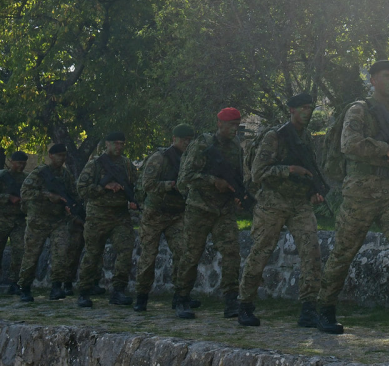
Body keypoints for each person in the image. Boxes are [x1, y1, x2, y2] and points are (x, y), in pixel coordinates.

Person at [316, 60, 389, 337]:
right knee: (343, 251)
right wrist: (383, 147)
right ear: (373, 80)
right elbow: (348, 143)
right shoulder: (359, 109)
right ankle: (324, 309)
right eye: (386, 76)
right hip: (360, 192)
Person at [237, 93, 328, 327]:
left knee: (312, 252)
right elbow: (258, 173)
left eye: (310, 108)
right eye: (303, 108)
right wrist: (289, 169)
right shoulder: (275, 136)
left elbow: (309, 171)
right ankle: (245, 305)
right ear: (292, 110)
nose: (308, 112)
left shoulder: (305, 138)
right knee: (260, 252)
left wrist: (313, 191)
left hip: (299, 204)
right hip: (272, 202)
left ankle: (308, 308)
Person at [173, 107, 246, 319]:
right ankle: (182, 298)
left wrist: (237, 195)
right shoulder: (202, 144)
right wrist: (213, 181)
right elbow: (185, 177)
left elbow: (237, 177)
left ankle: (231, 300)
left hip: (223, 210)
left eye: (237, 125)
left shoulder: (235, 147)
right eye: (231, 125)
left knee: (232, 253)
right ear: (219, 124)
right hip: (199, 209)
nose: (234, 129)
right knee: (191, 254)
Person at [134, 123, 196, 312]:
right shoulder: (160, 158)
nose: (187, 143)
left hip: (177, 214)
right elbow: (148, 184)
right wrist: (169, 185)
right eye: (184, 140)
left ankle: (181, 296)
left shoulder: (189, 159)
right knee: (148, 257)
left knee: (184, 253)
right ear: (174, 140)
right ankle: (141, 296)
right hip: (154, 213)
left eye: (189, 140)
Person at [76, 132, 140, 307]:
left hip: (120, 215)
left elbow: (136, 185)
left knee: (126, 251)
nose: (118, 147)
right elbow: (81, 189)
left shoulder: (127, 164)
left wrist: (134, 200)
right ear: (107, 144)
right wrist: (103, 187)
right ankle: (84, 291)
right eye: (115, 143)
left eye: (121, 144)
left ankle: (118, 290)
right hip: (98, 215)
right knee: (93, 254)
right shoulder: (95, 164)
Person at [17, 144, 82, 302]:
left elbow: (74, 194)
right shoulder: (40, 173)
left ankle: (56, 287)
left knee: (61, 253)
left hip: (58, 220)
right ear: (51, 156)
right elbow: (25, 192)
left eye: (64, 155)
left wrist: (72, 207)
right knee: (32, 255)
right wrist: (46, 195)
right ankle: (24, 287)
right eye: (59, 155)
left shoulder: (65, 175)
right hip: (38, 220)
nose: (62, 158)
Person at [0, 151, 28, 296]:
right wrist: (7, 197)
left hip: (18, 220)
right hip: (0, 220)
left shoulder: (26, 179)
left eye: (23, 163)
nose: (21, 166)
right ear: (11, 162)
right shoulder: (1, 178)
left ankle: (16, 283)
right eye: (18, 163)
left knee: (19, 252)